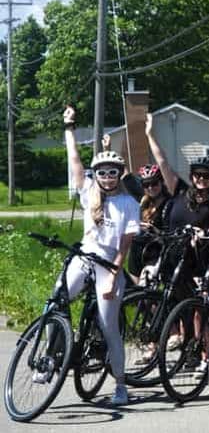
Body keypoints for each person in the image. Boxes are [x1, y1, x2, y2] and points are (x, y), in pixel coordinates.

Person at [62, 106, 140, 406]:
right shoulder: (88, 192)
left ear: (119, 174)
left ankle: (121, 386)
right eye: (103, 173)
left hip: (111, 265)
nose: (107, 177)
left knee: (109, 327)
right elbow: (74, 162)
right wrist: (69, 128)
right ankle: (53, 354)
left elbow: (125, 245)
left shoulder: (128, 203)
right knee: (57, 300)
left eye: (113, 172)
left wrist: (113, 279)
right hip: (85, 257)